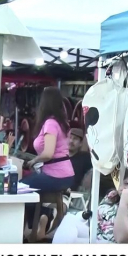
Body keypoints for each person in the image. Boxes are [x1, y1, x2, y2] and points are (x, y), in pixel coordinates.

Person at [22, 87, 75, 239]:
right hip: (63, 173)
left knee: (21, 188)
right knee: (32, 186)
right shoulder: (60, 122)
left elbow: (48, 153)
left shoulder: (51, 123)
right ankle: (41, 220)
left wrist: (33, 161)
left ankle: (31, 226)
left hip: (57, 175)